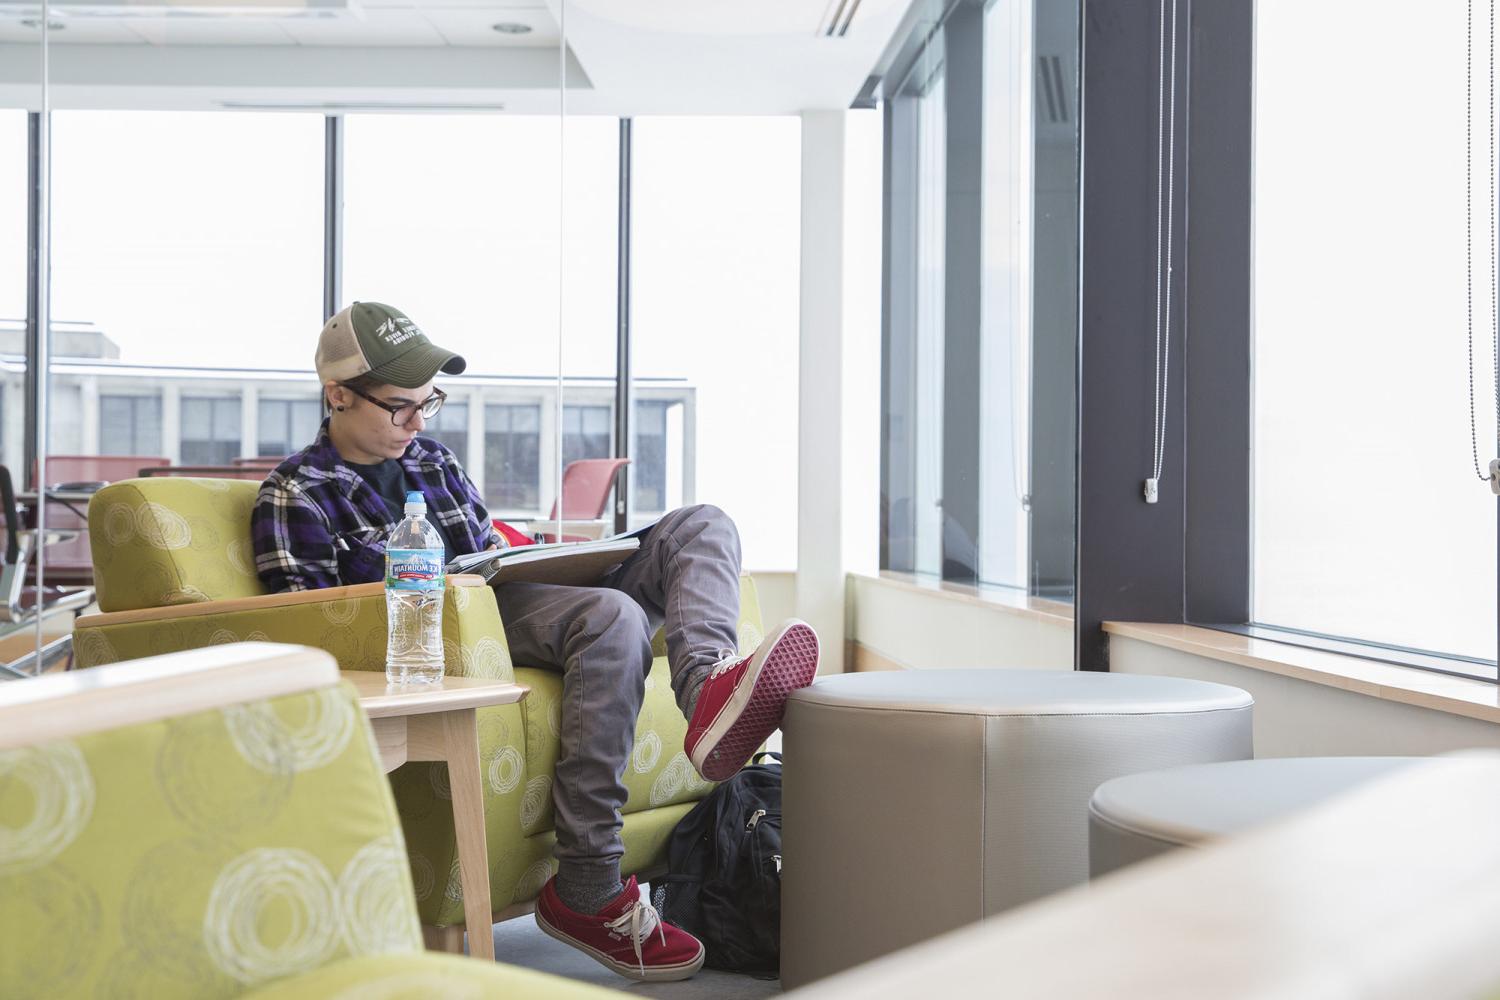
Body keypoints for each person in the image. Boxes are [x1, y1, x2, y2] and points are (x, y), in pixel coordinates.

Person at [251, 301, 819, 981]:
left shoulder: (433, 460)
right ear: (338, 393)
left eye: (428, 403)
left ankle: (709, 692)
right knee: (613, 618)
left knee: (704, 525)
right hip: (447, 629)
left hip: (508, 600)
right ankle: (587, 885)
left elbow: (489, 554)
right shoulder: (296, 492)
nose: (417, 423)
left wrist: (548, 560)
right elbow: (305, 621)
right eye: (400, 407)